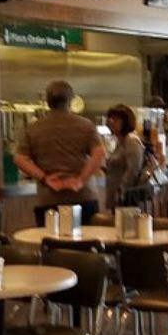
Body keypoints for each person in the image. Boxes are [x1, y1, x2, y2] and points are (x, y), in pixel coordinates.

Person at [13, 80, 106, 226]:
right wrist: (81, 180)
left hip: (49, 198)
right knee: (87, 244)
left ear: (48, 102)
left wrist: (45, 178)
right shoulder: (86, 125)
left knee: (52, 245)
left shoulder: (33, 129)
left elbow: (20, 159)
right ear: (71, 100)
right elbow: (99, 154)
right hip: (83, 196)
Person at [104, 103, 146, 209]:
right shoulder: (120, 142)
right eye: (110, 118)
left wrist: (121, 190)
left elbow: (133, 169)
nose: (110, 122)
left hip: (125, 199)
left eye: (116, 119)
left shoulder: (130, 140)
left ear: (125, 122)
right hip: (116, 196)